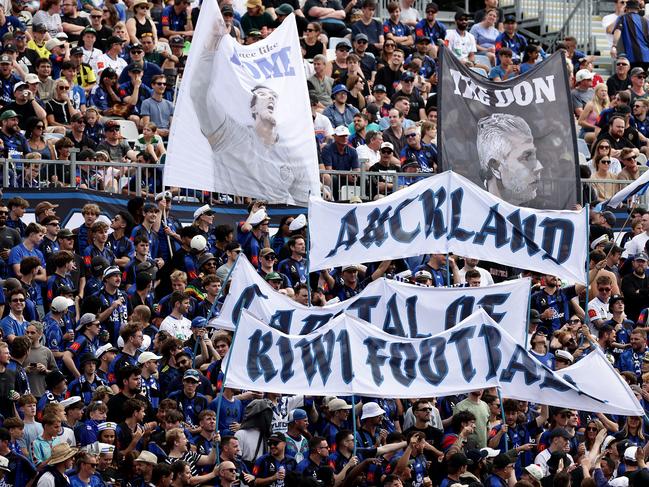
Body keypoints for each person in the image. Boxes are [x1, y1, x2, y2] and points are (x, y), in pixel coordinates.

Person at [190, 18, 314, 205]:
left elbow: (306, 202)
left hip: (277, 222)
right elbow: (199, 93)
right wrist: (213, 42)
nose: (271, 98)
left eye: (274, 96)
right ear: (253, 107)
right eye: (264, 95)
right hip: (235, 216)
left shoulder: (292, 152)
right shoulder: (230, 134)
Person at [476, 113, 543, 206]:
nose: (538, 168)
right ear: (495, 167)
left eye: (534, 156)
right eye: (525, 158)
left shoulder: (552, 215)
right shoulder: (469, 216)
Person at [613, 0, 649, 71]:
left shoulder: (622, 18)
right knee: (641, 79)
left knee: (631, 80)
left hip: (631, 57)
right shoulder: (646, 21)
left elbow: (617, 31)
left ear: (626, 9)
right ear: (638, 9)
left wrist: (614, 46)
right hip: (646, 57)